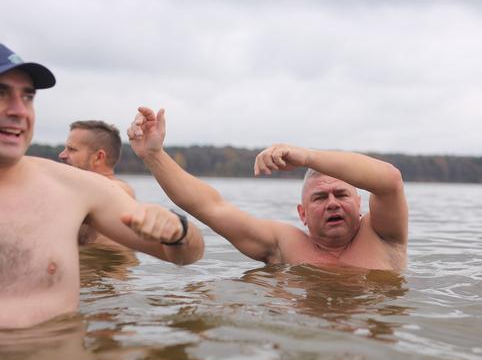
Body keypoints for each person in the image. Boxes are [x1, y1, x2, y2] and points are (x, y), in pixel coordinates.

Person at [0, 44, 205, 329]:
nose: (20, 110)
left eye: (28, 97)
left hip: (61, 357)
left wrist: (178, 230)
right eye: (1, 93)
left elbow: (188, 254)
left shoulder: (77, 190)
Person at [127, 107, 408, 271]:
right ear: (303, 214)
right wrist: (154, 156)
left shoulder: (383, 235)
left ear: (359, 204)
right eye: (320, 197)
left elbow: (390, 181)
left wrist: (307, 156)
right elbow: (211, 207)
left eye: (342, 194)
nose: (332, 203)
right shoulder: (284, 244)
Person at [59, 120, 135, 246]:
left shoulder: (119, 190)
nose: (62, 155)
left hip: (103, 264)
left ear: (98, 157)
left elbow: (112, 191)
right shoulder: (77, 192)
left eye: (72, 149)